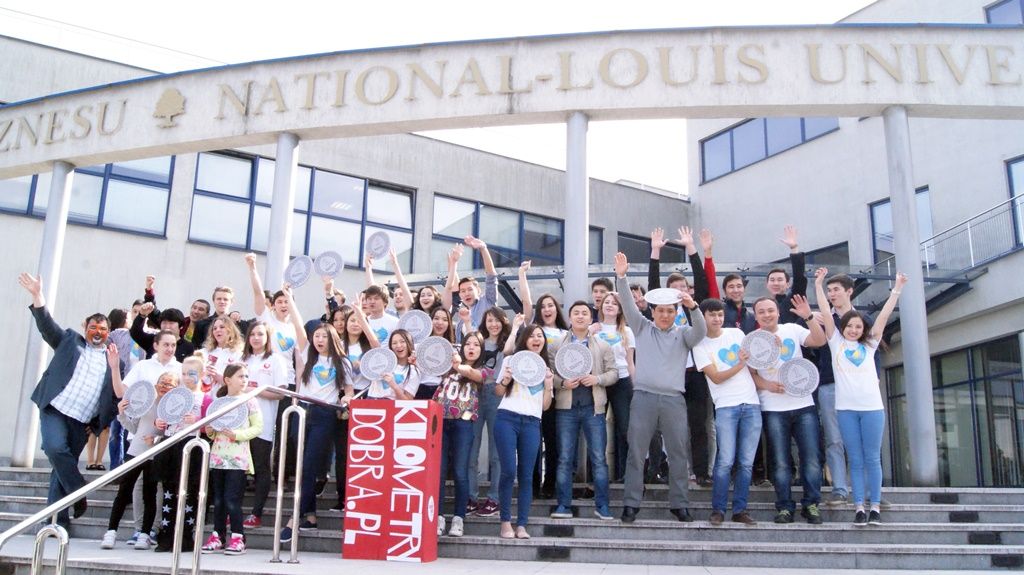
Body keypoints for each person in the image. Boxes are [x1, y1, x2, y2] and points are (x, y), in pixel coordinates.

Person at [19, 272, 120, 528]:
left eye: (103, 329)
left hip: (81, 423)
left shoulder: (112, 359)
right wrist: (38, 296)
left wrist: (96, 425)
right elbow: (47, 326)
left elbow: (113, 399)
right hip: (55, 410)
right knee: (54, 449)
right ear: (85, 328)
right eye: (93, 327)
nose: (97, 332)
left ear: (108, 333)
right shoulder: (69, 341)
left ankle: (57, 522)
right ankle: (78, 491)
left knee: (61, 469)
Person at [613, 252, 707, 523]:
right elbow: (628, 305)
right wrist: (622, 277)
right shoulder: (642, 328)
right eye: (661, 311)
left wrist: (693, 307)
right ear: (652, 312)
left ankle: (680, 504)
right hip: (643, 397)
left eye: (670, 311)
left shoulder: (683, 334)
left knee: (678, 452)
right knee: (636, 451)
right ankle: (631, 503)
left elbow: (700, 332)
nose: (665, 315)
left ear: (676, 313)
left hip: (673, 400)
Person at [814, 268, 906, 526]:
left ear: (863, 328)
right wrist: (818, 285)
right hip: (846, 409)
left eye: (858, 326)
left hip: (872, 409)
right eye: (849, 326)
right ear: (842, 328)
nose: (853, 330)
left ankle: (874, 505)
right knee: (854, 458)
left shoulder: (870, 344)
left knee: (872, 457)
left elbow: (884, 316)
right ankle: (858, 508)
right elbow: (825, 310)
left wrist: (897, 289)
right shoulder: (836, 343)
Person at [749, 294, 827, 525]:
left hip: (804, 405)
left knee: (811, 458)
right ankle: (784, 507)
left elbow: (819, 340)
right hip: (773, 408)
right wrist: (768, 385)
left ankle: (811, 504)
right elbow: (751, 375)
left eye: (770, 310)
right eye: (761, 311)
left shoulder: (792, 329)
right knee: (780, 461)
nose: (767, 315)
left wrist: (809, 317)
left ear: (778, 312)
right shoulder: (752, 340)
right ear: (756, 316)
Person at [647, 226, 712, 487]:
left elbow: (703, 281)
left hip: (694, 374)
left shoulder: (697, 309)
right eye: (674, 288)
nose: (679, 291)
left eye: (683, 287)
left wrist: (691, 248)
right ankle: (675, 471)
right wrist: (655, 252)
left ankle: (701, 473)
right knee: (670, 428)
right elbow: (652, 286)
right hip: (670, 376)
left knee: (699, 425)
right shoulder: (662, 314)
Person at [693, 298, 762, 526]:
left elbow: (756, 359)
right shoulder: (700, 345)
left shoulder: (736, 334)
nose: (717, 319)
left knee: (746, 462)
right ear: (703, 317)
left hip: (751, 404)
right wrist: (740, 365)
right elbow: (715, 377)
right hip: (725, 406)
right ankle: (718, 509)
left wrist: (771, 344)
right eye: (712, 315)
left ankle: (740, 509)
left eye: (720, 314)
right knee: (725, 461)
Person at [280, 324, 351, 543]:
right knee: (302, 466)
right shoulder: (307, 357)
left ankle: (294, 518)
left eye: (324, 336)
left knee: (309, 466)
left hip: (324, 413)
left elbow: (349, 390)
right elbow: (297, 324)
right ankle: (310, 517)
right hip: (302, 410)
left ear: (333, 339)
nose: (319, 340)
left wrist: (346, 398)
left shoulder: (342, 362)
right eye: (316, 336)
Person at [549, 301, 619, 521]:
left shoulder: (602, 345)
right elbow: (548, 374)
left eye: (584, 313)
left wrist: (597, 379)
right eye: (576, 313)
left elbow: (614, 373)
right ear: (570, 318)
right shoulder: (556, 345)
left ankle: (603, 505)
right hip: (566, 408)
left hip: (594, 408)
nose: (580, 316)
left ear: (591, 319)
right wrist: (562, 383)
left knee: (598, 458)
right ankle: (563, 505)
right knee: (564, 458)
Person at [99, 369, 180, 550]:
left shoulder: (175, 408)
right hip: (135, 452)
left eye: (170, 384)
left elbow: (173, 434)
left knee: (149, 494)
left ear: (176, 388)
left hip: (155, 455)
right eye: (162, 382)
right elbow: (134, 428)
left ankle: (145, 534)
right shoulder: (147, 401)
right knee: (124, 491)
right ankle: (111, 531)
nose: (165, 386)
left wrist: (157, 439)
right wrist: (121, 414)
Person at [493, 321, 554, 539]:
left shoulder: (545, 368)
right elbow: (498, 391)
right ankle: (505, 522)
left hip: (532, 423)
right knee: (509, 470)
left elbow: (545, 406)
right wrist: (506, 379)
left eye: (540, 336)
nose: (536, 339)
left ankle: (521, 525)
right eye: (532, 336)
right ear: (524, 339)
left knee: (527, 475)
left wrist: (548, 384)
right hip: (507, 418)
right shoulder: (511, 360)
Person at [202, 364, 263, 555]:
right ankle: (218, 536)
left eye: (246, 376)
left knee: (232, 499)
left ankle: (238, 537)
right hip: (218, 456)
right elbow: (213, 430)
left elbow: (258, 427)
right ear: (227, 380)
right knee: (218, 500)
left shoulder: (250, 401)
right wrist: (210, 431)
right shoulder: (219, 402)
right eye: (240, 376)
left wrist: (237, 435)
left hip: (238, 458)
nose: (244, 380)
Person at [814, 272, 860, 507]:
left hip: (858, 386)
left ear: (849, 291)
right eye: (829, 290)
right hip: (829, 384)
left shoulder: (862, 320)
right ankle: (840, 488)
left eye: (836, 290)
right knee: (834, 439)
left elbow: (872, 350)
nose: (832, 294)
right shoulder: (824, 319)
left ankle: (865, 490)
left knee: (861, 440)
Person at [434, 332, 486, 537]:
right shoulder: (448, 368)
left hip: (464, 424)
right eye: (468, 344)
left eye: (476, 345)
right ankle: (438, 516)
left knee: (460, 471)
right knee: (439, 471)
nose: (471, 347)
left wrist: (457, 365)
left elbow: (471, 373)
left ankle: (458, 518)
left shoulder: (483, 370)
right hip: (441, 422)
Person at [239, 321, 289, 530]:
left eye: (260, 334)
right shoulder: (241, 359)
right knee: (238, 468)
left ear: (267, 337)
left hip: (263, 422)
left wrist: (254, 390)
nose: (256, 338)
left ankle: (256, 513)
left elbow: (281, 393)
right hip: (238, 422)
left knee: (260, 467)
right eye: (252, 334)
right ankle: (233, 512)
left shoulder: (275, 359)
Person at [467, 306, 511, 517]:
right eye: (489, 320)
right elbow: (468, 349)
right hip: (475, 393)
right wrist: (466, 321)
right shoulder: (480, 342)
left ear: (503, 322)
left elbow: (509, 353)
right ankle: (471, 497)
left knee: (496, 452)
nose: (493, 324)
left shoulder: (508, 343)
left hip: (497, 394)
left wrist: (516, 326)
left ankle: (494, 499)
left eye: (497, 320)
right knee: (471, 449)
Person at [245, 254, 308, 389]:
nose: (284, 305)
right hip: (263, 377)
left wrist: (297, 391)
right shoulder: (266, 319)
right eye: (279, 302)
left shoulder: (295, 328)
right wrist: (252, 267)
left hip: (287, 380)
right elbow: (258, 293)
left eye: (287, 302)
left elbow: (299, 362)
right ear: (273, 305)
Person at [596, 292, 636, 483]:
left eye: (614, 303)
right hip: (600, 380)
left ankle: (626, 474)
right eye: (607, 302)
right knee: (597, 429)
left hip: (622, 381)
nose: (610, 305)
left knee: (625, 428)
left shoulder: (627, 331)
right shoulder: (594, 329)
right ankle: (596, 476)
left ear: (620, 309)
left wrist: (635, 387)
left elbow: (630, 362)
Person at [448, 236, 498, 338]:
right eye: (463, 291)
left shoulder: (487, 301)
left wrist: (483, 249)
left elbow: (491, 276)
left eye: (470, 289)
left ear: (478, 290)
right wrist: (453, 262)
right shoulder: (461, 317)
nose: (466, 293)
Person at [766, 225, 808, 325]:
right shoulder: (763, 305)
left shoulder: (793, 300)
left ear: (788, 284)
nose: (776, 283)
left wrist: (794, 249)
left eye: (780, 280)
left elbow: (799, 278)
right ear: (767, 284)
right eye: (772, 280)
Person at [131, 304, 195, 363]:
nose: (167, 326)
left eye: (171, 323)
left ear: (181, 326)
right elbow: (135, 333)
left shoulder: (188, 347)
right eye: (164, 323)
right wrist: (142, 315)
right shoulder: (153, 340)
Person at [367, 330, 419, 400]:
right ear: (391, 346)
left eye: (402, 341)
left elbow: (408, 402)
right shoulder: (383, 361)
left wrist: (394, 385)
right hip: (370, 402)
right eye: (394, 343)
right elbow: (373, 342)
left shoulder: (413, 371)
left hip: (391, 405)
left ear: (409, 343)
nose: (398, 345)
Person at [202, 316, 244, 392]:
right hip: (205, 396)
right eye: (214, 328)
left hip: (226, 397)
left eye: (222, 327)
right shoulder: (204, 352)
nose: (217, 330)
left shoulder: (238, 355)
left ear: (230, 331)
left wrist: (219, 377)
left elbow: (240, 386)